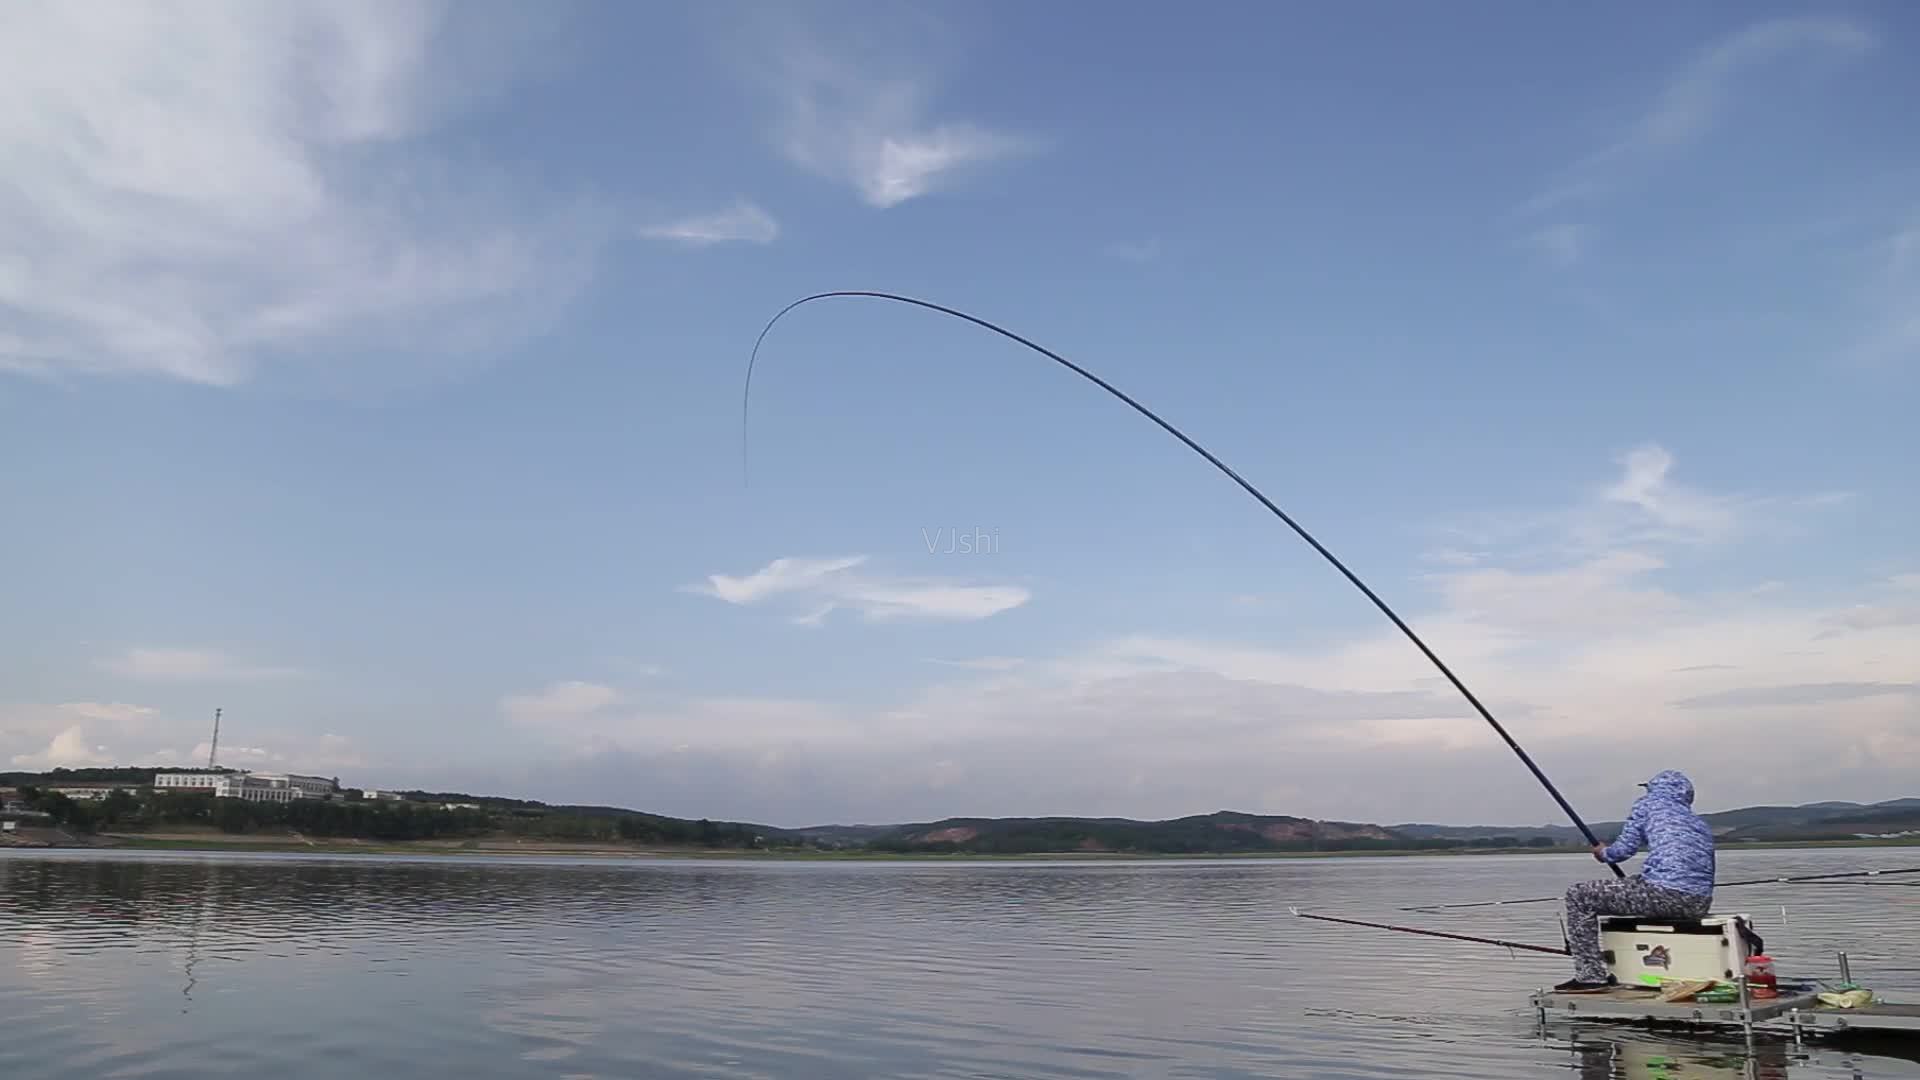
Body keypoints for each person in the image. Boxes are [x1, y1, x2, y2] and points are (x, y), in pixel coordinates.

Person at [1555, 769, 1716, 993]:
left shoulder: (1647, 805)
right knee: (1635, 884)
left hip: (1664, 894)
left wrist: (1604, 853)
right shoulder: (1699, 824)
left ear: (1654, 791)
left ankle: (1590, 975)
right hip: (1698, 902)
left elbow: (1622, 850)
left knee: (1579, 895)